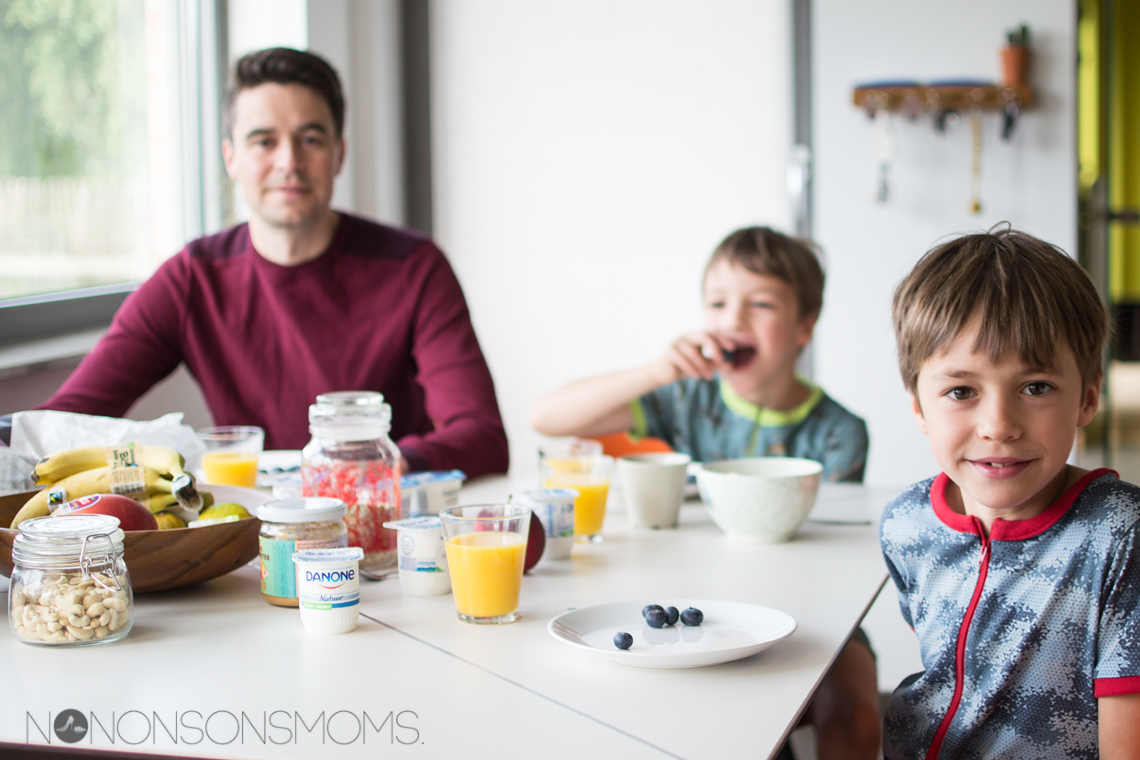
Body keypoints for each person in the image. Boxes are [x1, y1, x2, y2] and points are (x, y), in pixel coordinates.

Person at [38, 47, 508, 478]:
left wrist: (375, 468)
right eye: (264, 141)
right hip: (248, 533)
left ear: (339, 154)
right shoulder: (191, 279)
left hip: (383, 523)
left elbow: (482, 435)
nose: (289, 161)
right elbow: (60, 424)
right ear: (231, 158)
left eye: (310, 139)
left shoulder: (415, 267)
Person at [531, 226, 880, 760]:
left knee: (856, 715)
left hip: (817, 612)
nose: (732, 320)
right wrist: (657, 371)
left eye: (760, 304)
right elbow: (547, 417)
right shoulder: (687, 400)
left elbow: (826, 554)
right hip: (708, 612)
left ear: (804, 326)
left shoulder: (840, 431)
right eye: (717, 303)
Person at [881, 227, 1140, 759]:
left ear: (1087, 398)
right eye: (961, 391)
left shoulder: (1120, 536)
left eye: (1036, 387)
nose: (998, 425)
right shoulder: (906, 523)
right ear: (918, 407)